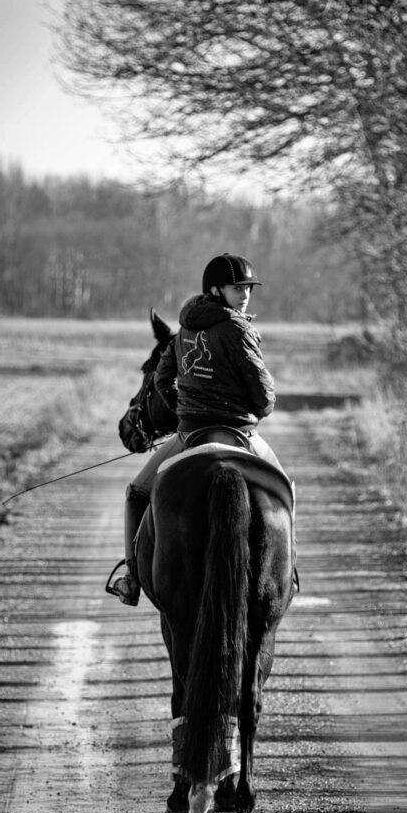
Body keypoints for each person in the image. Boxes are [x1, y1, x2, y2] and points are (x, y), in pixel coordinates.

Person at [108, 253, 289, 606]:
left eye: (247, 288)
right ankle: (288, 570)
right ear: (215, 290)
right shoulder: (239, 329)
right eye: (238, 288)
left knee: (137, 493)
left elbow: (163, 377)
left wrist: (185, 411)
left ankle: (131, 577)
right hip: (241, 435)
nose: (245, 294)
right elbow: (265, 397)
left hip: (189, 435)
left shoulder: (186, 325)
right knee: (284, 492)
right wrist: (252, 409)